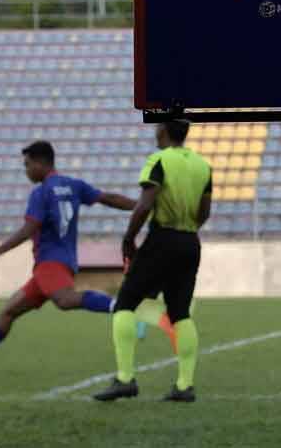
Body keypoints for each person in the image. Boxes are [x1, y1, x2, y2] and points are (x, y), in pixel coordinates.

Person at [0, 141, 136, 371]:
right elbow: (110, 199)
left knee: (64, 300)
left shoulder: (41, 192)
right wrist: (142, 205)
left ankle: (123, 306)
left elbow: (29, 229)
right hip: (62, 263)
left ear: (40, 163)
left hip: (49, 263)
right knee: (9, 311)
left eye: (27, 165)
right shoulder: (74, 185)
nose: (26, 171)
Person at [94, 120, 212, 403]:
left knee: (124, 304)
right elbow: (205, 211)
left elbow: (145, 204)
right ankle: (185, 385)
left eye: (157, 128)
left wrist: (128, 237)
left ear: (164, 131)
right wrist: (187, 227)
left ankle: (125, 378)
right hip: (190, 242)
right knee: (180, 312)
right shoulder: (202, 165)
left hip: (162, 240)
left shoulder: (158, 160)